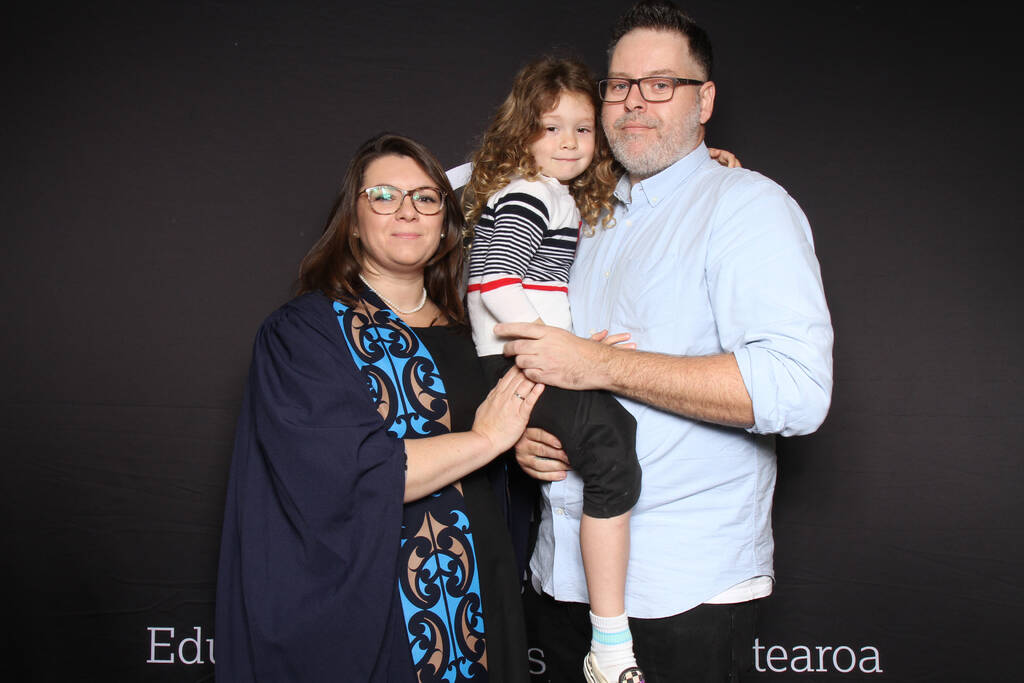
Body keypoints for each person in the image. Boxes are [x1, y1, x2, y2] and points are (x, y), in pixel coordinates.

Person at [499, 2, 835, 682]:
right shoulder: (581, 215)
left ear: (703, 100)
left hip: (682, 590)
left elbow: (797, 390)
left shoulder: (746, 206)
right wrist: (529, 437)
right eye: (619, 84)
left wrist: (601, 364)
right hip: (561, 579)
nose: (634, 101)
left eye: (660, 84)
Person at [215, 133, 544, 683]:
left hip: (485, 600)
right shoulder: (304, 335)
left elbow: (504, 467)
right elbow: (350, 473)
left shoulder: (477, 333)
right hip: (378, 611)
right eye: (384, 196)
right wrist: (486, 439)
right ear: (352, 219)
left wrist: (528, 447)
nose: (407, 211)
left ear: (445, 222)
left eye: (425, 197)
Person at [462, 57, 644, 683]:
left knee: (610, 441)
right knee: (611, 444)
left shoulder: (554, 194)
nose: (569, 142)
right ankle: (610, 643)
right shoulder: (528, 193)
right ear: (523, 133)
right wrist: (553, 348)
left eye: (583, 129)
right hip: (511, 360)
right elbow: (494, 279)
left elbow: (532, 288)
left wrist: (572, 343)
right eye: (551, 127)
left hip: (526, 352)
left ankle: (607, 638)